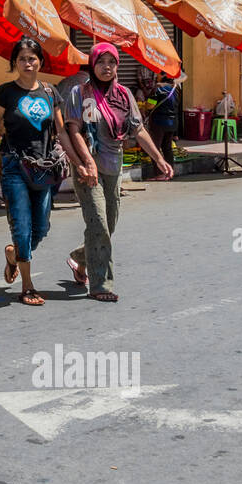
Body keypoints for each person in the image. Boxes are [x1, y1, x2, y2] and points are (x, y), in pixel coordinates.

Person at [0, 37, 83, 306]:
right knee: (21, 225)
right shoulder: (6, 92)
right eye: (22, 58)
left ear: (40, 61)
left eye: (32, 58)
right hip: (14, 167)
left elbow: (62, 132)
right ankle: (28, 286)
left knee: (40, 227)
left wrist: (79, 163)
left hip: (44, 169)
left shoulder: (51, 92)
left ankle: (13, 255)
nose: (28, 63)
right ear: (14, 63)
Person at [63, 43, 174, 303]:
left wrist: (158, 158)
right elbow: (74, 130)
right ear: (92, 64)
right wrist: (87, 162)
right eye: (101, 62)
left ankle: (80, 259)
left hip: (114, 166)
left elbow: (138, 130)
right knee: (99, 223)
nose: (106, 67)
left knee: (108, 224)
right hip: (86, 168)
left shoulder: (124, 96)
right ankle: (101, 284)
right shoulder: (80, 93)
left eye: (111, 62)